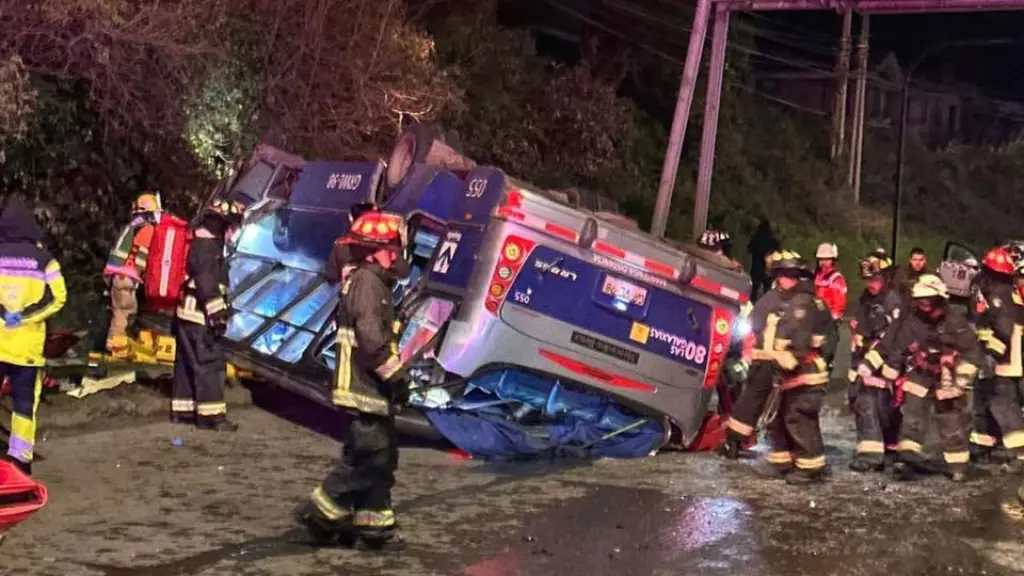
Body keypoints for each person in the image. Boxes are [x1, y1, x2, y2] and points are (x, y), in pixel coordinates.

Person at [296, 209, 412, 549]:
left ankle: (374, 528)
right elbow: (372, 340)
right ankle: (319, 513)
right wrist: (396, 379)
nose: (397, 256)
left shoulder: (373, 282)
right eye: (393, 248)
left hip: (371, 389)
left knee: (380, 457)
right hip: (364, 387)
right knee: (370, 456)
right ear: (379, 249)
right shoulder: (367, 282)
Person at [720, 250, 831, 485]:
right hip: (780, 370)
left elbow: (807, 341)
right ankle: (783, 461)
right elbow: (759, 328)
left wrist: (791, 360)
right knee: (778, 418)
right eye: (781, 274)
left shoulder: (806, 303)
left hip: (804, 372)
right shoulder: (778, 299)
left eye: (789, 275)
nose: (784, 279)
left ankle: (810, 466)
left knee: (798, 418)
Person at [855, 274, 981, 482]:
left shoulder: (956, 322)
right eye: (920, 300)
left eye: (928, 300)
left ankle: (958, 466)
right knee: (912, 419)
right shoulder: (911, 320)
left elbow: (972, 354)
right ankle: (907, 460)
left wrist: (959, 381)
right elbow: (892, 347)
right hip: (921, 374)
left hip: (950, 379)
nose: (923, 304)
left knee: (952, 422)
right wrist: (869, 366)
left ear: (940, 299)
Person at [0, 199, 67, 475]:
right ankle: (20, 461)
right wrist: (25, 316)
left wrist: (4, 313)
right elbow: (58, 296)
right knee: (24, 404)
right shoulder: (44, 260)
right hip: (27, 347)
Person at [170, 198, 244, 431]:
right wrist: (218, 315)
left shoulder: (198, 243)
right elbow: (208, 284)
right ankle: (212, 417)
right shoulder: (209, 249)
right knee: (210, 364)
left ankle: (182, 411)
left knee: (186, 364)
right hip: (200, 317)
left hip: (186, 315)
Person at [847, 254, 903, 472]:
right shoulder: (867, 298)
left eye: (875, 279)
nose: (870, 284)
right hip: (867, 357)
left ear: (886, 277)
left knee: (870, 403)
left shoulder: (893, 301)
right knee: (873, 403)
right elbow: (860, 322)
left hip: (884, 359)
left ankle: (871, 456)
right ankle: (887, 449)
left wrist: (875, 350)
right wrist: (858, 335)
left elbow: (895, 333)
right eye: (867, 280)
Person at [970, 251, 1024, 473]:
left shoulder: (997, 295)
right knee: (987, 398)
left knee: (1003, 403)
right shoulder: (1004, 292)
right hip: (1009, 357)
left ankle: (1020, 454)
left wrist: (992, 353)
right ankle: (983, 445)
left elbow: (1003, 328)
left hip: (1007, 360)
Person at [102, 191, 163, 357]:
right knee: (125, 312)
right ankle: (115, 349)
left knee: (119, 312)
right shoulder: (147, 229)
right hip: (126, 278)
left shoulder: (133, 226)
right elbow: (141, 258)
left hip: (116, 276)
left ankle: (113, 346)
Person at [813, 242, 847, 371]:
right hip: (815, 320)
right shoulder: (816, 275)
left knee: (825, 354)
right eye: (821, 259)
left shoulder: (836, 279)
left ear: (832, 260)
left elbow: (840, 302)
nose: (823, 262)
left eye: (827, 259)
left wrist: (833, 319)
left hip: (829, 322)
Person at [747, 220, 780, 301]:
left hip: (756, 266)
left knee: (754, 289)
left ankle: (752, 304)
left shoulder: (756, 237)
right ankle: (763, 306)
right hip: (768, 268)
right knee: (767, 290)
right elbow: (778, 253)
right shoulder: (773, 241)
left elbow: (749, 249)